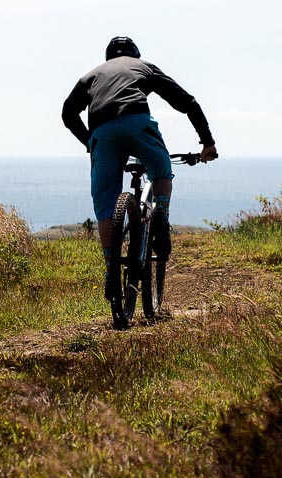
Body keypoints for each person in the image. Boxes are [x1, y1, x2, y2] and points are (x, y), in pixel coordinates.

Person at [61, 36, 217, 329]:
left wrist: (89, 143)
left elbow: (68, 114)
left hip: (102, 134)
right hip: (136, 122)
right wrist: (207, 142)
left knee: (106, 206)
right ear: (135, 54)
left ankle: (111, 267)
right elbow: (187, 102)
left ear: (108, 57)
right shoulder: (143, 67)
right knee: (161, 170)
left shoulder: (90, 75)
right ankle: (161, 214)